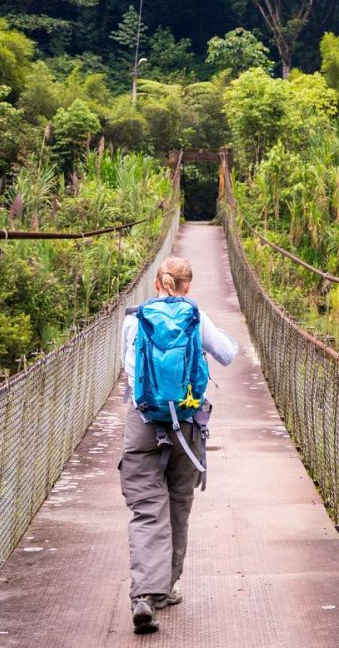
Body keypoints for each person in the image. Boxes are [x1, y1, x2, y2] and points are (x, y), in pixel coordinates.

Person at [118, 256, 235, 635]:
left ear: (156, 283)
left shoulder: (133, 320)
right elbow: (229, 355)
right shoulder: (195, 318)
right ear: (187, 286)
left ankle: (144, 597)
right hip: (186, 424)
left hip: (142, 423)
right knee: (177, 503)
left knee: (147, 508)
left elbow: (127, 366)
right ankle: (165, 588)